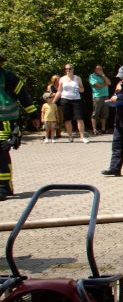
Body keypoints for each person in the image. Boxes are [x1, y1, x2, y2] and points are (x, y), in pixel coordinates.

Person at [0, 52, 39, 200]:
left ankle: (4, 187)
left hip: (5, 121)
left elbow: (23, 96)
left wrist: (33, 115)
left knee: (1, 153)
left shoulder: (8, 77)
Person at [54, 63, 89, 143]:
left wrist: (79, 88)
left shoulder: (77, 78)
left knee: (79, 118)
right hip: (65, 100)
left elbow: (82, 89)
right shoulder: (62, 79)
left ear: (73, 69)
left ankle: (82, 137)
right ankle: (70, 137)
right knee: (67, 119)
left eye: (70, 68)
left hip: (76, 100)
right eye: (66, 69)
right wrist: (53, 102)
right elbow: (59, 91)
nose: (68, 70)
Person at [89, 64, 111, 135]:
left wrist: (103, 75)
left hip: (106, 96)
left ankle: (103, 129)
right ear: (95, 69)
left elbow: (109, 83)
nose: (100, 70)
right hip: (97, 97)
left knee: (104, 114)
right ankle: (94, 129)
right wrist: (105, 84)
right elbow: (98, 85)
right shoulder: (92, 76)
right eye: (98, 69)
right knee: (95, 114)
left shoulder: (103, 76)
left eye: (101, 69)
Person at [46, 75, 63, 139]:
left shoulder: (62, 86)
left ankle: (58, 133)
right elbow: (47, 95)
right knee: (51, 119)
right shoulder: (50, 86)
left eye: (59, 79)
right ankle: (50, 134)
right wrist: (56, 94)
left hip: (60, 104)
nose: (59, 80)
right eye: (57, 79)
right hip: (52, 104)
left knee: (60, 119)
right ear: (54, 80)